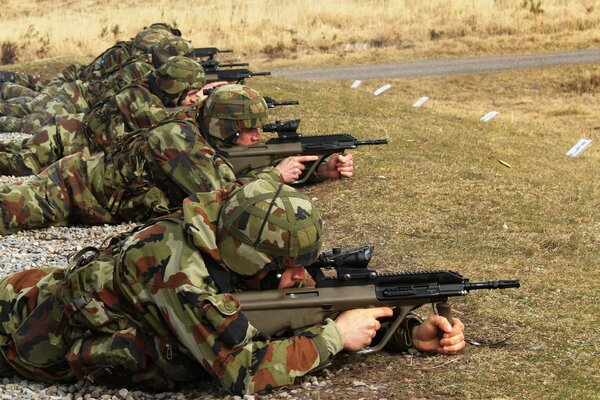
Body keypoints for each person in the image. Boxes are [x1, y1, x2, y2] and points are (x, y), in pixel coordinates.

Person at [0, 179, 466, 394]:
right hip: (24, 340)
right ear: (253, 258)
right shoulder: (181, 274)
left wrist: (404, 331)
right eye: (288, 268)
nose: (297, 279)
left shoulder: (230, 218)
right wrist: (334, 337)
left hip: (43, 290)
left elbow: (287, 310)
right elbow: (242, 371)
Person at [0, 56, 209, 176]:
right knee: (16, 163)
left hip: (64, 132)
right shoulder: (140, 101)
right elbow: (172, 131)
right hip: (62, 141)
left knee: (11, 150)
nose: (195, 99)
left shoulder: (147, 88)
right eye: (192, 94)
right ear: (174, 88)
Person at [201, 83, 355, 183]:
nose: (257, 136)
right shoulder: (194, 153)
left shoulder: (225, 146)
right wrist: (276, 176)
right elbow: (221, 195)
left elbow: (257, 170)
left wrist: (322, 170)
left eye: (257, 128)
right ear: (223, 129)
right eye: (248, 129)